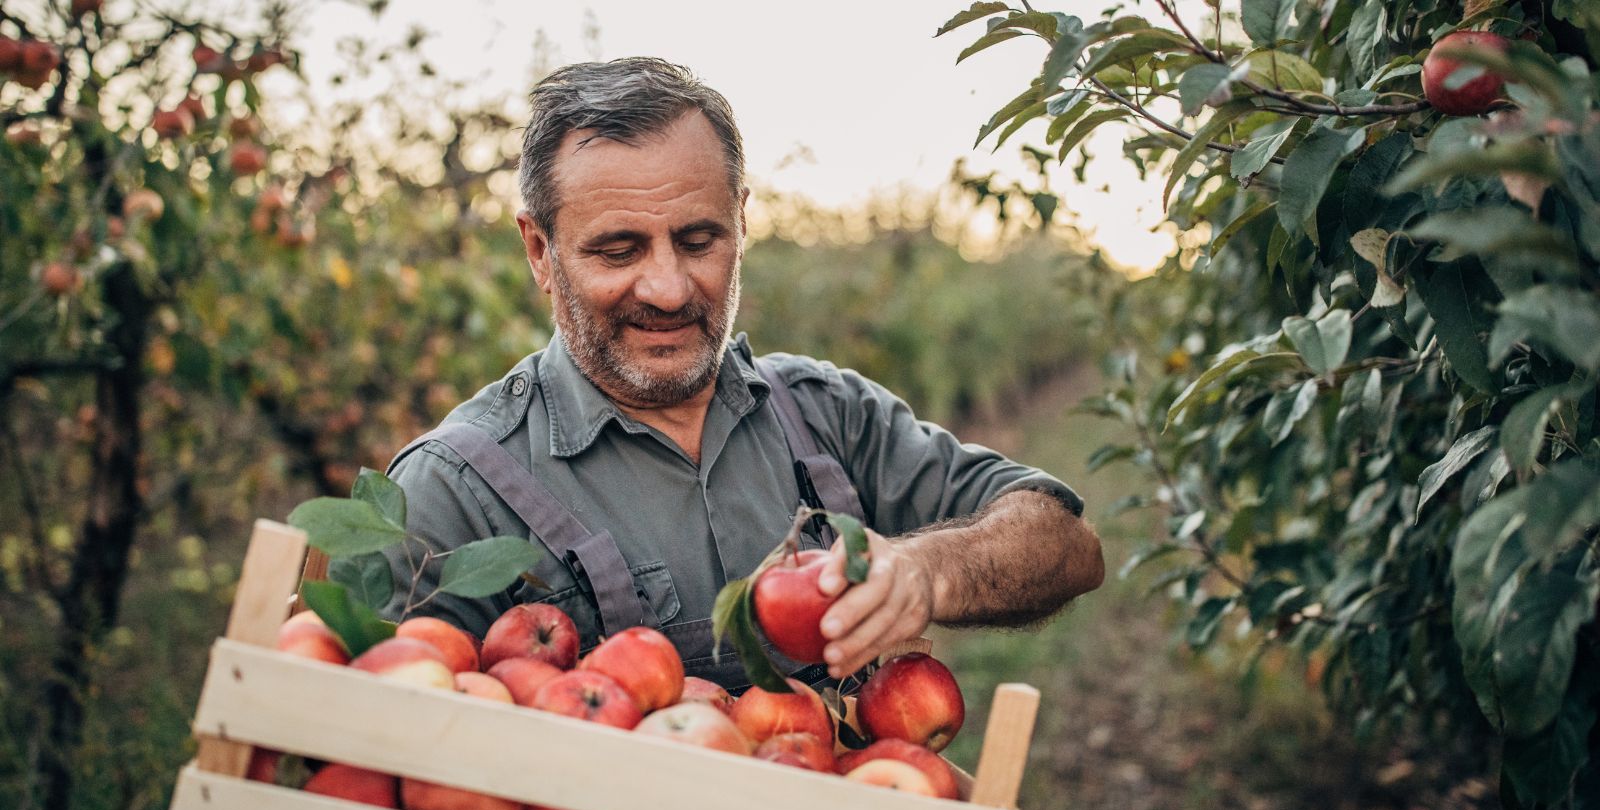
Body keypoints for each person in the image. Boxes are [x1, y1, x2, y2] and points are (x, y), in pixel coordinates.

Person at [380, 57, 1104, 690]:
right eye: (618, 250)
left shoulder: (825, 416)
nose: (667, 288)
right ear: (540, 251)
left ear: (743, 223)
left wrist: (929, 570)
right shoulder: (454, 493)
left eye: (699, 240)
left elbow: (1066, 543)